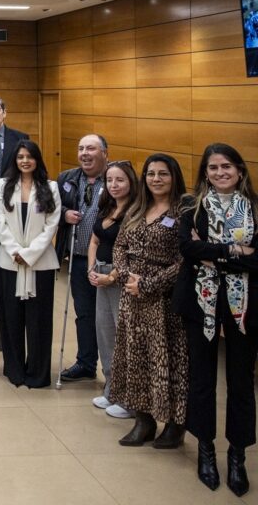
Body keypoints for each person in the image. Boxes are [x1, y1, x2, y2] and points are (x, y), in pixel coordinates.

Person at [176, 143, 258, 496]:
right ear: (205, 173)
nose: (220, 173)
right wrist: (237, 250)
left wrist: (213, 254)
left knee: (241, 382)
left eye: (226, 166)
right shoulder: (191, 208)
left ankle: (237, 455)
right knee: (202, 379)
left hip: (245, 309)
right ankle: (205, 449)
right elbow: (188, 248)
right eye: (213, 168)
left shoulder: (256, 208)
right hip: (201, 304)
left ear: (239, 170)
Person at [109, 153, 188, 448]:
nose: (156, 179)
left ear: (174, 177)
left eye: (163, 174)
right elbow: (119, 246)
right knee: (136, 359)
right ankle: (143, 420)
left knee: (167, 362)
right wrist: (126, 275)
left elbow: (185, 259)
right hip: (132, 297)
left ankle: (175, 425)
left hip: (165, 300)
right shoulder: (137, 209)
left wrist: (150, 284)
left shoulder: (184, 212)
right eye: (151, 174)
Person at [0, 140, 61, 388]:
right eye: (20, 157)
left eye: (29, 157)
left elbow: (51, 224)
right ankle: (15, 370)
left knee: (39, 320)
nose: (25, 161)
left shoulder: (50, 187)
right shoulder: (4, 185)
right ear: (15, 160)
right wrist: (15, 251)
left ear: (37, 159)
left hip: (41, 263)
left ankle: (38, 373)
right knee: (11, 318)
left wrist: (30, 254)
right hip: (9, 262)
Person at [86, 160, 137, 418]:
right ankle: (111, 389)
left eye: (120, 180)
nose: (114, 185)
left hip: (121, 280)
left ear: (131, 182)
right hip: (101, 275)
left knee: (123, 337)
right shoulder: (107, 207)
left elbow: (132, 252)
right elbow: (95, 239)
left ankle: (129, 398)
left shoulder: (136, 212)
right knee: (105, 334)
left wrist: (112, 276)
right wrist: (91, 268)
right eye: (109, 180)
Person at [57, 134, 110, 383]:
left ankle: (114, 369)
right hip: (77, 258)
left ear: (105, 153)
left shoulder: (114, 178)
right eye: (81, 149)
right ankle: (86, 363)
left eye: (91, 148)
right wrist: (64, 213)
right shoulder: (67, 178)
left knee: (108, 317)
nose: (84, 154)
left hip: (107, 261)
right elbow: (50, 206)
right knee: (84, 313)